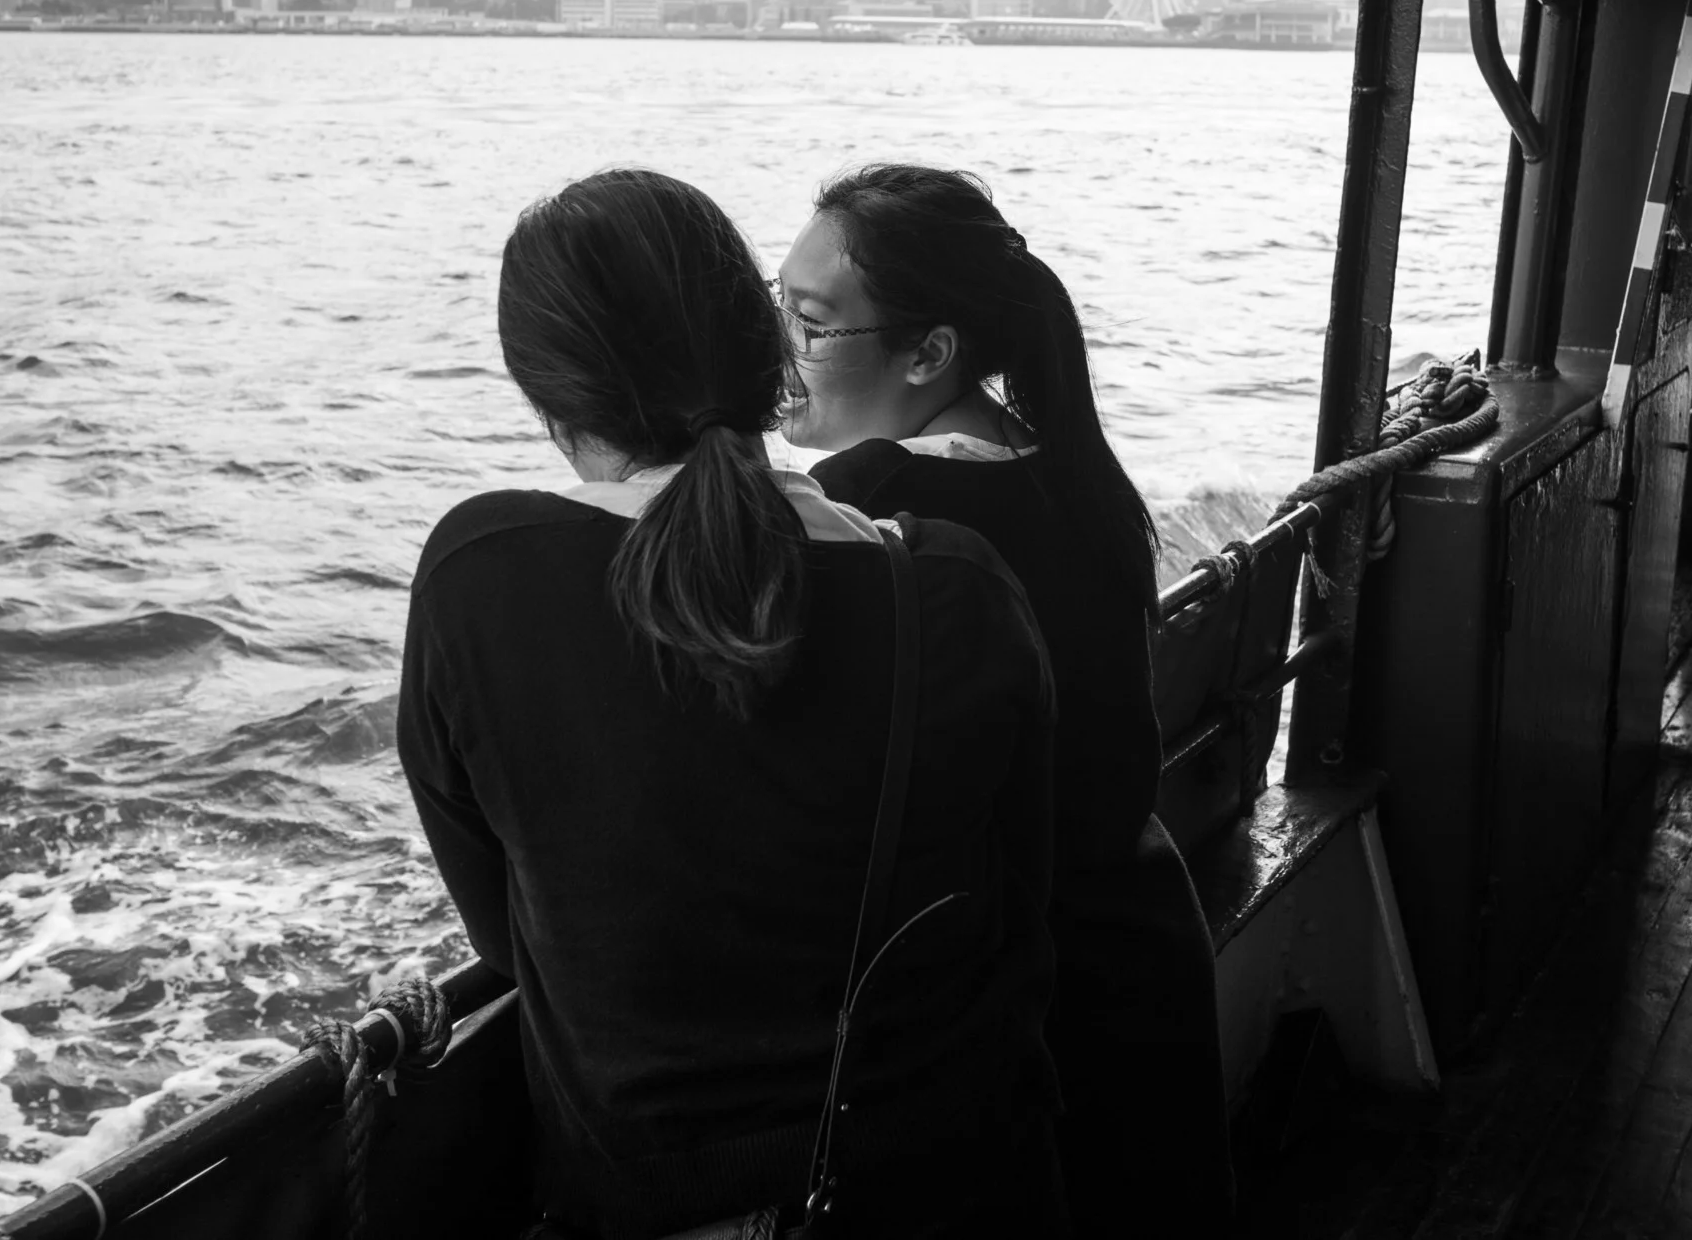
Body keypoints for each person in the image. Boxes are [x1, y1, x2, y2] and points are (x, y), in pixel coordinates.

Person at [399, 169, 1067, 1238]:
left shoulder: (481, 573)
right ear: (764, 349)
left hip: (641, 1201)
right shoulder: (956, 587)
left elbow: (506, 933)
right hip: (951, 1184)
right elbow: (1021, 906)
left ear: (546, 392)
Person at [779, 165, 1233, 1235]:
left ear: (929, 351)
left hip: (1007, 1004)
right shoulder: (1074, 475)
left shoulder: (868, 510)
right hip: (1138, 954)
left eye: (807, 323)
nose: (780, 355)